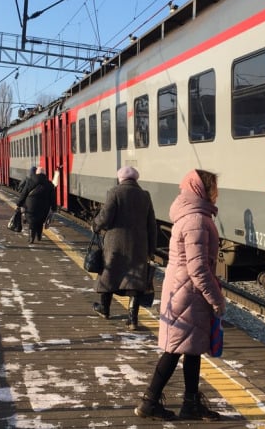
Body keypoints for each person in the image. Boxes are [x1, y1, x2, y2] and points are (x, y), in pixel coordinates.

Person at [134, 169, 225, 421]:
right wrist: (216, 300)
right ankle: (150, 401)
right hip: (189, 293)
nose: (216, 194)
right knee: (175, 349)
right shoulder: (196, 219)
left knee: (191, 348)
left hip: (183, 290)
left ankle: (190, 402)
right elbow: (198, 268)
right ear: (202, 190)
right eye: (213, 188)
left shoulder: (190, 215)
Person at [91, 166, 157, 331]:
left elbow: (105, 217)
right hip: (139, 245)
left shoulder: (115, 192)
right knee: (135, 281)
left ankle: (105, 310)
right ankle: (132, 319)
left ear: (121, 179)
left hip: (116, 244)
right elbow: (152, 225)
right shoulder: (145, 195)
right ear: (135, 179)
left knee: (108, 275)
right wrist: (151, 249)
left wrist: (95, 225)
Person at [16, 167, 56, 244]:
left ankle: (31, 237)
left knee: (32, 221)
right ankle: (39, 236)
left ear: (36, 173)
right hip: (44, 207)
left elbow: (24, 194)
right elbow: (53, 198)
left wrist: (19, 203)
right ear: (45, 174)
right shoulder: (49, 184)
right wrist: (54, 208)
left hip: (31, 205)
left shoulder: (30, 182)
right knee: (40, 221)